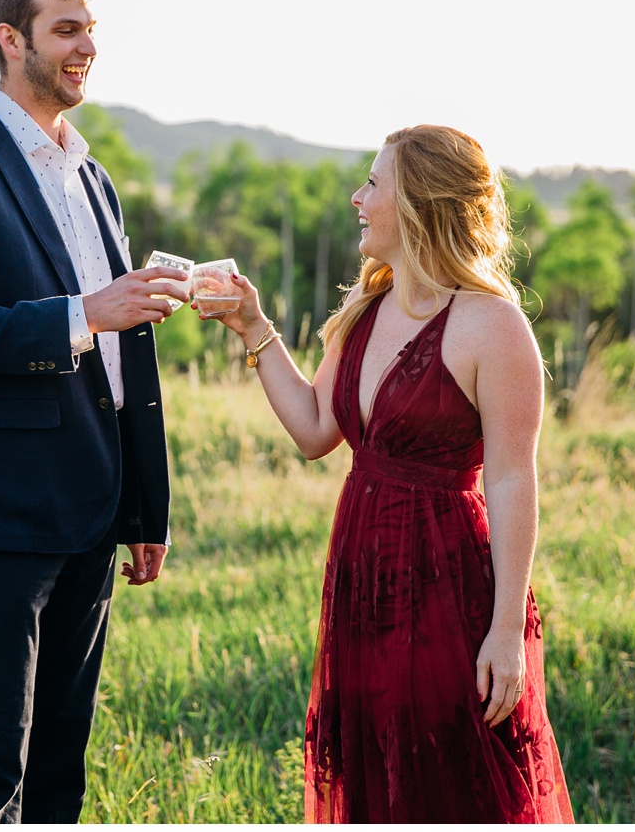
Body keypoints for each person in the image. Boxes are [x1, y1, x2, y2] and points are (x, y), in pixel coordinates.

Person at [199, 125, 574, 823]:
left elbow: (514, 480)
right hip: (363, 579)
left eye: (374, 184)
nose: (357, 198)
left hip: (450, 584)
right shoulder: (365, 312)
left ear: (421, 204)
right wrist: (254, 328)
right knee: (377, 768)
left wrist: (502, 633)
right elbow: (315, 428)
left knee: (454, 774)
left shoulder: (493, 326)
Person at [0, 0, 189, 823]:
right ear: (9, 38)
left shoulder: (93, 178)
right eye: (67, 30)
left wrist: (144, 508)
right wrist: (82, 311)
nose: (87, 47)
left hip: (92, 516)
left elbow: (116, 357)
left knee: (61, 772)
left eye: (91, 30)